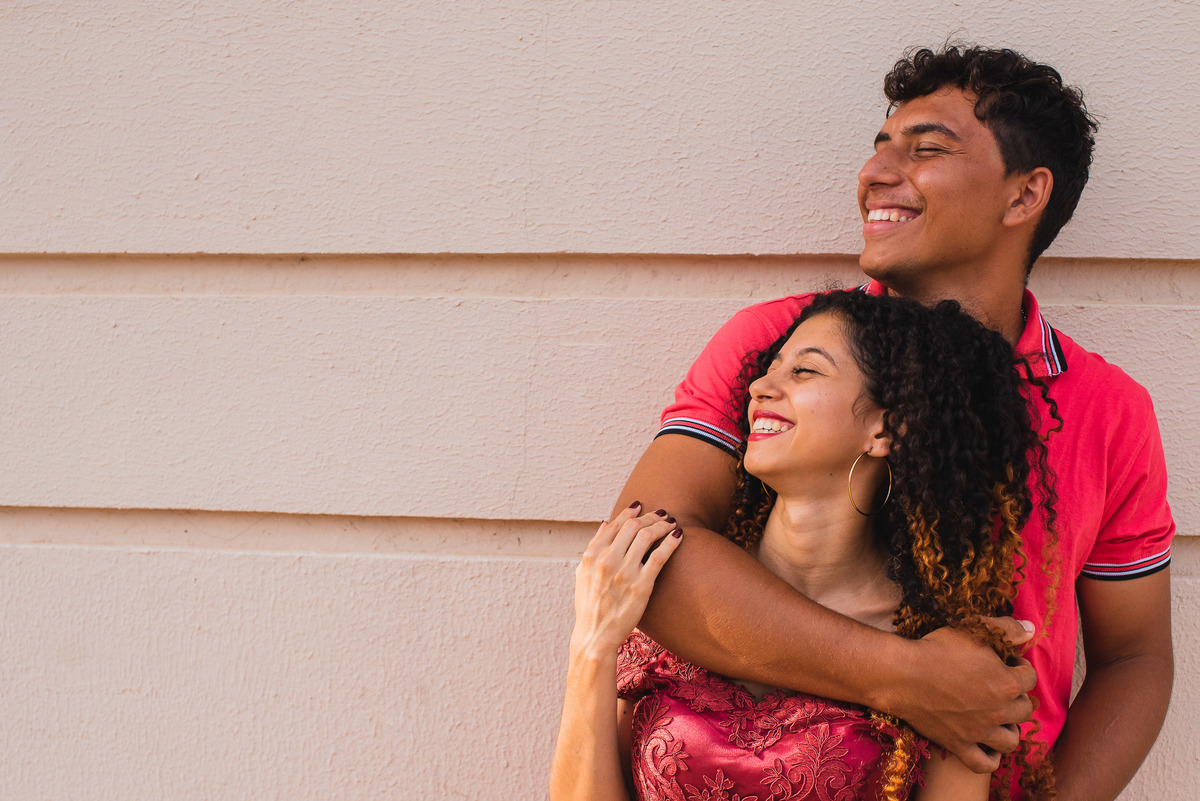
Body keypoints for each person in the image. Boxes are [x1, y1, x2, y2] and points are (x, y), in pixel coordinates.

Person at [610, 46, 1174, 800]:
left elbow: (1135, 658)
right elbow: (644, 552)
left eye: (927, 149)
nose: (876, 173)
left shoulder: (1109, 408)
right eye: (879, 147)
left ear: (1024, 194)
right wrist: (906, 676)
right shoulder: (779, 345)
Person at [550, 290, 1059, 800]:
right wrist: (591, 647)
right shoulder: (663, 578)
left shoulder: (945, 656)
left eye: (805, 372)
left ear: (886, 428)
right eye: (769, 368)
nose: (759, 387)